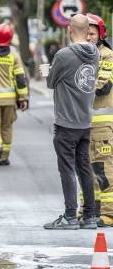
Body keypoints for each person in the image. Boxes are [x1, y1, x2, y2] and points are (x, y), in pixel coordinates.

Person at [43, 14, 99, 229]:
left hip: (66, 123)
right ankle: (90, 216)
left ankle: (69, 216)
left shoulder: (63, 55)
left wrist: (47, 71)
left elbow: (50, 82)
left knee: (67, 170)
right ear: (87, 31)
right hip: (85, 122)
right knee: (84, 168)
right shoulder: (94, 53)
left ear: (68, 30)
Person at [78, 13, 113, 228]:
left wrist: (74, 87)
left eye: (92, 33)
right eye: (85, 33)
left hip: (102, 124)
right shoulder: (80, 55)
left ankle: (109, 213)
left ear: (100, 35)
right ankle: (89, 210)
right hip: (83, 122)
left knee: (103, 168)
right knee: (86, 169)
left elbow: (104, 86)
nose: (88, 37)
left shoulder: (107, 56)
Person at [0, 23, 29, 167]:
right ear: (9, 39)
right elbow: (20, 80)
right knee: (7, 128)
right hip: (9, 100)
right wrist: (23, 99)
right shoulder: (14, 56)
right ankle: (4, 157)